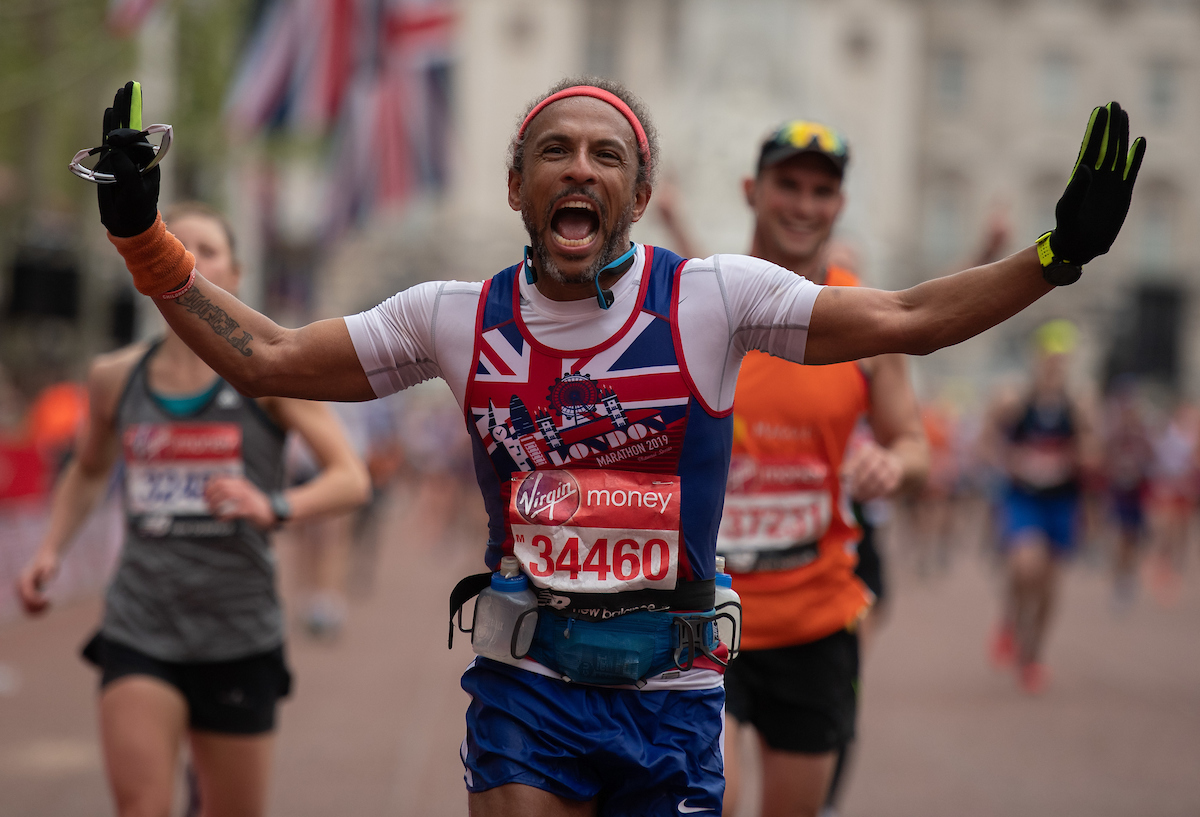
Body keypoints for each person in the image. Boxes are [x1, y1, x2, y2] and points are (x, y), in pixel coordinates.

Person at [88, 77, 1143, 814]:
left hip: (672, 695)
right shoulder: (453, 316)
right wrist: (144, 237)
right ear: (517, 187)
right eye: (554, 150)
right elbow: (273, 357)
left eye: (607, 155)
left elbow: (906, 317)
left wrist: (1056, 255)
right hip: (526, 683)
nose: (579, 168)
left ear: (639, 195)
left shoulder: (715, 299)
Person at [16, 201, 371, 817]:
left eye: (207, 250)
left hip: (238, 632)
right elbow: (90, 468)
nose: (190, 260)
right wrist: (50, 550)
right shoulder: (114, 377)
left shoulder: (271, 380)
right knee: (143, 807)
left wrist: (273, 504)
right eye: (176, 245)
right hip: (140, 625)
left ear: (234, 274)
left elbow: (350, 479)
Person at [706, 121, 928, 817]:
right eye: (789, 185)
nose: (804, 205)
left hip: (816, 622)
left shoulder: (866, 317)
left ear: (840, 204)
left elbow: (913, 443)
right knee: (709, 800)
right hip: (704, 616)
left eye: (821, 191)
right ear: (752, 189)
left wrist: (892, 464)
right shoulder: (702, 302)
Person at [983, 320, 1097, 694]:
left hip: (1062, 501)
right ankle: (1012, 621)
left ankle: (1033, 654)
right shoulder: (1014, 400)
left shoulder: (1078, 405)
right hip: (1024, 497)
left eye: (1060, 359)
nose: (1053, 365)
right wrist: (1012, 460)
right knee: (1024, 565)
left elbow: (1094, 454)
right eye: (1048, 357)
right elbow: (986, 443)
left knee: (1048, 583)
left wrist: (1073, 458)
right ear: (1036, 358)